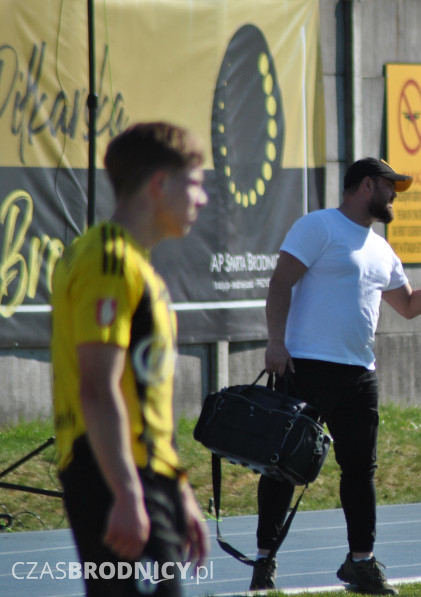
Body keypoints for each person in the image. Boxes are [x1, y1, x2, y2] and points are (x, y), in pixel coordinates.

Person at [252, 158, 421, 594]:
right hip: (304, 367)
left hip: (360, 376)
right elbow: (279, 283)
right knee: (282, 469)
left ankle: (361, 563)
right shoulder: (318, 227)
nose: (394, 198)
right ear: (366, 185)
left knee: (360, 473)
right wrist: (276, 342)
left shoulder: (381, 248)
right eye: (391, 188)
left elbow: (409, 305)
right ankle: (263, 561)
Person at [50, 122, 210, 596]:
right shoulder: (109, 259)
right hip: (114, 475)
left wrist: (178, 490)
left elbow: (141, 396)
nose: (201, 199)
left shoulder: (138, 267)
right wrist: (126, 491)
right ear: (160, 184)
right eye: (196, 184)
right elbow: (98, 388)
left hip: (143, 477)